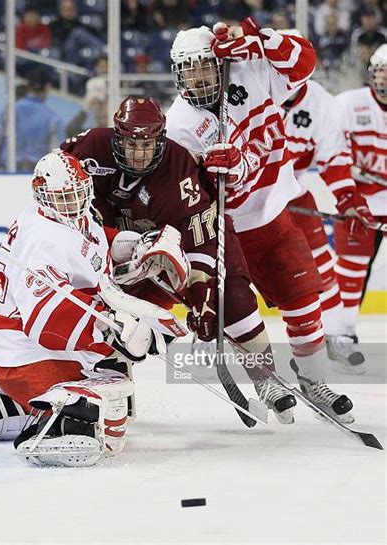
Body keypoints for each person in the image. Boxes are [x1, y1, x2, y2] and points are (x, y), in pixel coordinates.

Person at [0, 150, 187, 467]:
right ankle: (43, 418)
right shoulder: (42, 241)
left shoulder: (69, 217)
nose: (71, 205)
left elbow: (94, 244)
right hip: (22, 350)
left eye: (77, 196)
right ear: (41, 195)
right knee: (104, 400)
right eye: (63, 199)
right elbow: (45, 318)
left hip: (38, 344)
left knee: (113, 375)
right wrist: (112, 331)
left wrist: (135, 246)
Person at [61, 96, 298, 423]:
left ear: (162, 139)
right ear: (117, 137)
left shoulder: (179, 172)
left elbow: (199, 244)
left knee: (233, 300)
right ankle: (114, 391)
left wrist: (202, 297)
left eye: (148, 143)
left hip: (194, 239)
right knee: (108, 318)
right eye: (131, 142)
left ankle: (267, 378)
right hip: (125, 248)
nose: (139, 153)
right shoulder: (91, 146)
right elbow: (56, 173)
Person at [165, 19, 355, 422]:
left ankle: (313, 379)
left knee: (303, 297)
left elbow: (305, 63)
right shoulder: (180, 125)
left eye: (203, 65)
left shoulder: (249, 67)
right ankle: (265, 378)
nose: (195, 77)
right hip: (227, 228)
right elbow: (190, 196)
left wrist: (260, 37)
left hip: (274, 212)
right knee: (239, 309)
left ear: (220, 63)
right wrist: (223, 178)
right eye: (187, 69)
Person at [281, 54, 372, 374]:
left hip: (294, 195)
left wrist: (347, 199)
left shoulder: (322, 104)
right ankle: (209, 338)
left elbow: (334, 160)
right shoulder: (253, 92)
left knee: (320, 266)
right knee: (230, 267)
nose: (288, 81)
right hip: (250, 198)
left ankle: (335, 335)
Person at [333, 43, 387, 343]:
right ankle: (344, 332)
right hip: (359, 202)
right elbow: (331, 148)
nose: (386, 80)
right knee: (352, 269)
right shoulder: (348, 104)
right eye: (383, 73)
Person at [0, 70, 65, 172]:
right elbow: (57, 154)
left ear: (28, 87)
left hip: (7, 170)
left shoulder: (7, 111)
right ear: (47, 87)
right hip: (37, 173)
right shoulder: (53, 118)